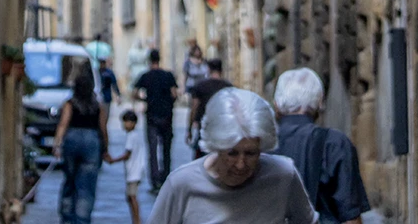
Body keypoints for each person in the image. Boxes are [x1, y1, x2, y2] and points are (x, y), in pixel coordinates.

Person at [147, 88, 315, 224]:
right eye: (232, 153)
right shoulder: (181, 184)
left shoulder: (283, 175)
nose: (241, 164)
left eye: (251, 153)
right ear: (216, 146)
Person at [273, 69, 370, 224]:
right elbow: (350, 217)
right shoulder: (334, 143)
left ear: (276, 105)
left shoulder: (260, 145)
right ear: (320, 103)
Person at [53, 62, 110, 224]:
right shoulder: (97, 106)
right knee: (86, 186)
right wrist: (105, 148)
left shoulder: (70, 104)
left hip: (72, 140)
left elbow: (63, 124)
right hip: (92, 142)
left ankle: (67, 217)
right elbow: (103, 128)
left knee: (70, 180)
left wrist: (57, 144)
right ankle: (82, 219)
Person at [134, 47, 179, 190]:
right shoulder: (168, 75)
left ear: (149, 60)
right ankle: (165, 176)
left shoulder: (145, 76)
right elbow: (174, 94)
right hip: (166, 116)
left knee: (152, 150)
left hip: (151, 115)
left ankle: (154, 180)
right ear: (159, 59)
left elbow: (135, 93)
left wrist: (145, 100)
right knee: (166, 149)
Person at [108, 106, 148, 224]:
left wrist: (113, 160)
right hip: (135, 171)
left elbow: (127, 154)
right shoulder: (135, 136)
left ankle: (137, 220)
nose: (124, 125)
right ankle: (135, 219)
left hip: (133, 172)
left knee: (132, 196)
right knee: (130, 196)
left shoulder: (131, 136)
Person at [186, 57, 230, 157]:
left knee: (200, 162)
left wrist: (189, 129)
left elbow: (194, 108)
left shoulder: (200, 86)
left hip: (205, 128)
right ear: (221, 70)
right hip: (223, 129)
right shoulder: (228, 87)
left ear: (209, 69)